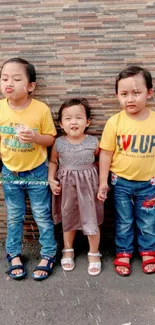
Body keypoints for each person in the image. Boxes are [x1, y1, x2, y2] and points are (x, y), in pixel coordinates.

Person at [0, 57, 57, 280]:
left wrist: (35, 137)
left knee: (42, 214)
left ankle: (48, 253)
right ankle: (13, 254)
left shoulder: (40, 109)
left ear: (31, 86)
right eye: (4, 78)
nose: (9, 83)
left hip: (37, 171)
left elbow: (51, 139)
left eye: (16, 78)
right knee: (14, 216)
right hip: (9, 172)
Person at [98, 65, 155, 276]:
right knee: (123, 220)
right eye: (124, 94)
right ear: (117, 96)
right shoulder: (114, 122)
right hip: (120, 183)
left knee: (148, 220)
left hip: (149, 184)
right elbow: (105, 153)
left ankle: (148, 250)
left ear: (149, 92)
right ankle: (123, 252)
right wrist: (103, 182)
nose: (130, 99)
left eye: (136, 93)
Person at [48, 98, 103, 275]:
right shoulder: (58, 143)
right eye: (68, 118)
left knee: (91, 218)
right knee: (69, 217)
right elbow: (53, 161)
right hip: (67, 187)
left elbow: (100, 162)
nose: (73, 122)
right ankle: (68, 249)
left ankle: (94, 253)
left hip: (89, 187)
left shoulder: (94, 142)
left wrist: (103, 183)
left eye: (79, 117)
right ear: (61, 124)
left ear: (88, 122)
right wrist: (51, 180)